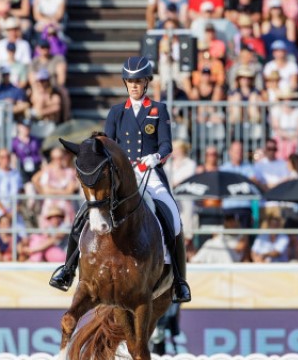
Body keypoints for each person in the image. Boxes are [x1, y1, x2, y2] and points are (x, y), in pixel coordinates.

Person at [49, 56, 191, 303]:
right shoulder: (117, 111)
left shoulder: (158, 109)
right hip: (122, 173)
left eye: (138, 81)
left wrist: (156, 157)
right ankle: (68, 269)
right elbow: (108, 143)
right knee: (83, 213)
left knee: (173, 216)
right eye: (130, 82)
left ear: (146, 82)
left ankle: (179, 280)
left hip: (150, 172)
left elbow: (166, 145)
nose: (134, 86)